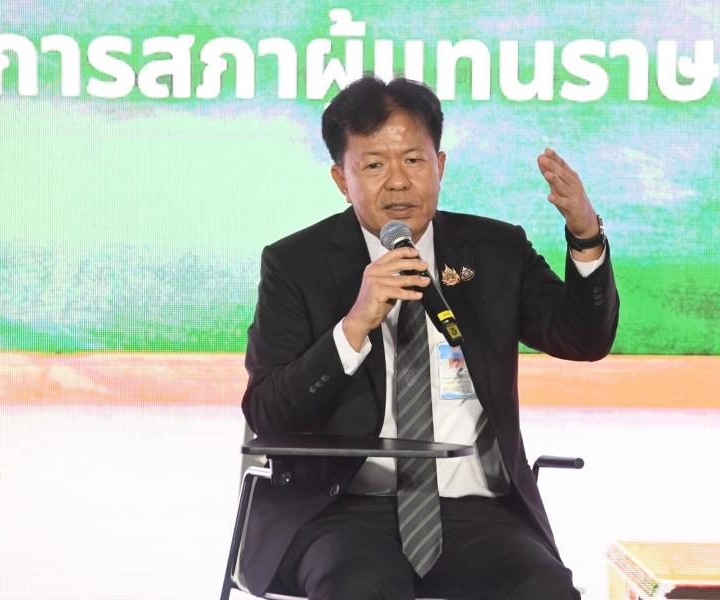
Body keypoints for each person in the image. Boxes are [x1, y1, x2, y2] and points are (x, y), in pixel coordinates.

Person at [240, 76, 619, 600]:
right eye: (374, 165)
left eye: (413, 161)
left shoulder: (495, 249)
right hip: (341, 511)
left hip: (478, 512)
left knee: (544, 589)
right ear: (341, 178)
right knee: (359, 588)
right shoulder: (296, 264)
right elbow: (268, 413)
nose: (398, 182)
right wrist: (353, 326)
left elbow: (583, 339)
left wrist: (585, 237)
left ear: (439, 166)